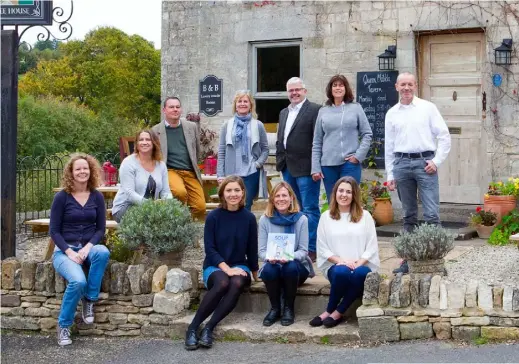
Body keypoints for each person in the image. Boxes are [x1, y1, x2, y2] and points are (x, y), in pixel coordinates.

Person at [384, 72, 451, 274]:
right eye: (402, 84)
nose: (406, 88)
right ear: (396, 87)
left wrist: (436, 161)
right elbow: (389, 147)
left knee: (431, 214)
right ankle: (408, 260)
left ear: (415, 86)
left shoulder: (428, 108)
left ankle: (437, 260)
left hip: (425, 163)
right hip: (401, 164)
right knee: (408, 215)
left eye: (410, 84)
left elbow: (445, 136)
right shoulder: (391, 113)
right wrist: (390, 175)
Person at [185, 175, 259, 350]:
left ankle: (209, 328)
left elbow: (252, 249)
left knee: (237, 282)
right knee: (223, 282)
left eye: (237, 190)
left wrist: (255, 273)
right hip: (214, 265)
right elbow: (210, 249)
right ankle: (193, 327)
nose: (233, 194)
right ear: (222, 193)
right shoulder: (213, 217)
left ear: (243, 193)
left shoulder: (249, 218)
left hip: (240, 265)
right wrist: (227, 269)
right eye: (229, 190)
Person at [50, 153, 110, 346]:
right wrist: (70, 252)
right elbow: (54, 231)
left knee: (102, 252)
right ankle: (64, 325)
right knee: (77, 281)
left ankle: (89, 300)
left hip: (87, 248)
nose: (82, 171)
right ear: (71, 172)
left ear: (91, 171)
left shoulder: (97, 196)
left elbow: (100, 228)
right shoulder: (62, 197)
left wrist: (87, 248)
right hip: (64, 251)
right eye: (78, 169)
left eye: (85, 168)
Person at [310, 176, 379, 328]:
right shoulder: (326, 217)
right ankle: (331, 311)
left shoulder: (365, 216)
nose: (344, 195)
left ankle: (335, 312)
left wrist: (356, 263)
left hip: (361, 264)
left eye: (349, 192)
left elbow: (372, 246)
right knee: (342, 272)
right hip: (336, 265)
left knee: (361, 274)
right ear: (335, 193)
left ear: (354, 195)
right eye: (341, 190)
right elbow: (322, 247)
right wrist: (341, 261)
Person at [277, 77, 322, 262]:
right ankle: (294, 247)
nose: (294, 93)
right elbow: (282, 138)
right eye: (291, 90)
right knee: (292, 208)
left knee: (310, 209)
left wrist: (316, 166)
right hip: (287, 167)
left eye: (297, 89)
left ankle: (310, 249)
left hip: (306, 168)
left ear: (305, 91)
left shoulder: (315, 110)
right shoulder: (283, 112)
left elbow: (318, 140)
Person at [258, 181, 315, 327]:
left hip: (296, 267)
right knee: (269, 269)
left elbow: (303, 251)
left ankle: (289, 308)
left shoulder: (301, 219)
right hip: (273, 264)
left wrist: (288, 256)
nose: (281, 199)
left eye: (284, 195)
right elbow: (261, 251)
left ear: (291, 198)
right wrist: (269, 258)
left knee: (289, 266)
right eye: (277, 196)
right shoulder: (265, 220)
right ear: (272, 199)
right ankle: (275, 308)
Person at [311, 74, 373, 202]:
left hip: (349, 164)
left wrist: (358, 157)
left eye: (341, 85)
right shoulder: (323, 111)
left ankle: (353, 222)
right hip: (328, 166)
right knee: (333, 201)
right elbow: (317, 141)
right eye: (335, 85)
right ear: (330, 89)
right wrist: (315, 167)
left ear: (346, 88)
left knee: (351, 200)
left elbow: (367, 134)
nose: (338, 88)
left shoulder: (356, 108)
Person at [152, 97, 206, 220]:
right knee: (179, 192)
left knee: (200, 207)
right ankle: (178, 224)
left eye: (177, 107)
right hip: (170, 171)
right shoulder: (156, 131)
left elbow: (197, 150)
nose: (175, 109)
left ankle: (188, 231)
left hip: (190, 172)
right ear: (164, 110)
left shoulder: (191, 127)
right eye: (171, 107)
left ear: (181, 109)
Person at [217, 90, 269, 210]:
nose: (242, 104)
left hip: (250, 173)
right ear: (235, 105)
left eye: (245, 101)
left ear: (251, 105)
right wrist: (220, 174)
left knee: (246, 205)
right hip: (231, 173)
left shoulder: (258, 125)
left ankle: (245, 229)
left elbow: (265, 149)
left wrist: (257, 164)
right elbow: (221, 151)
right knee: (230, 205)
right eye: (239, 101)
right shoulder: (227, 125)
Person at [111, 129, 172, 222]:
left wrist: (167, 203)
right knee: (152, 221)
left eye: (148, 139)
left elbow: (166, 192)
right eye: (141, 140)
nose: (144, 142)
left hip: (151, 209)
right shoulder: (128, 163)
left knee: (170, 219)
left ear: (154, 143)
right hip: (125, 207)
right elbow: (129, 194)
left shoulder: (161, 165)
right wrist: (151, 205)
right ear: (137, 144)